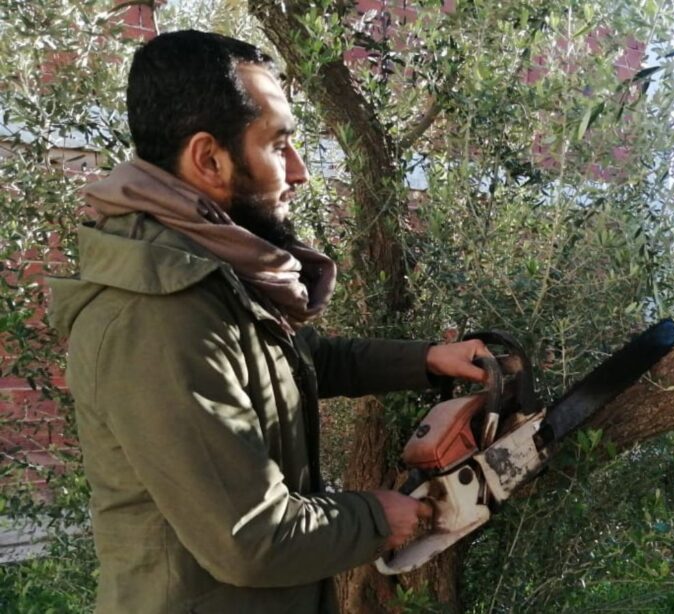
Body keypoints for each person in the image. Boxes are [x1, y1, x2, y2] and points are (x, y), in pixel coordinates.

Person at [48, 29, 489, 613]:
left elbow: (295, 361)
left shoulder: (206, 272)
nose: (300, 171)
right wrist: (376, 516)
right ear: (209, 158)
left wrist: (429, 359)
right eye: (279, 145)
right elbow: (254, 541)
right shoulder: (157, 316)